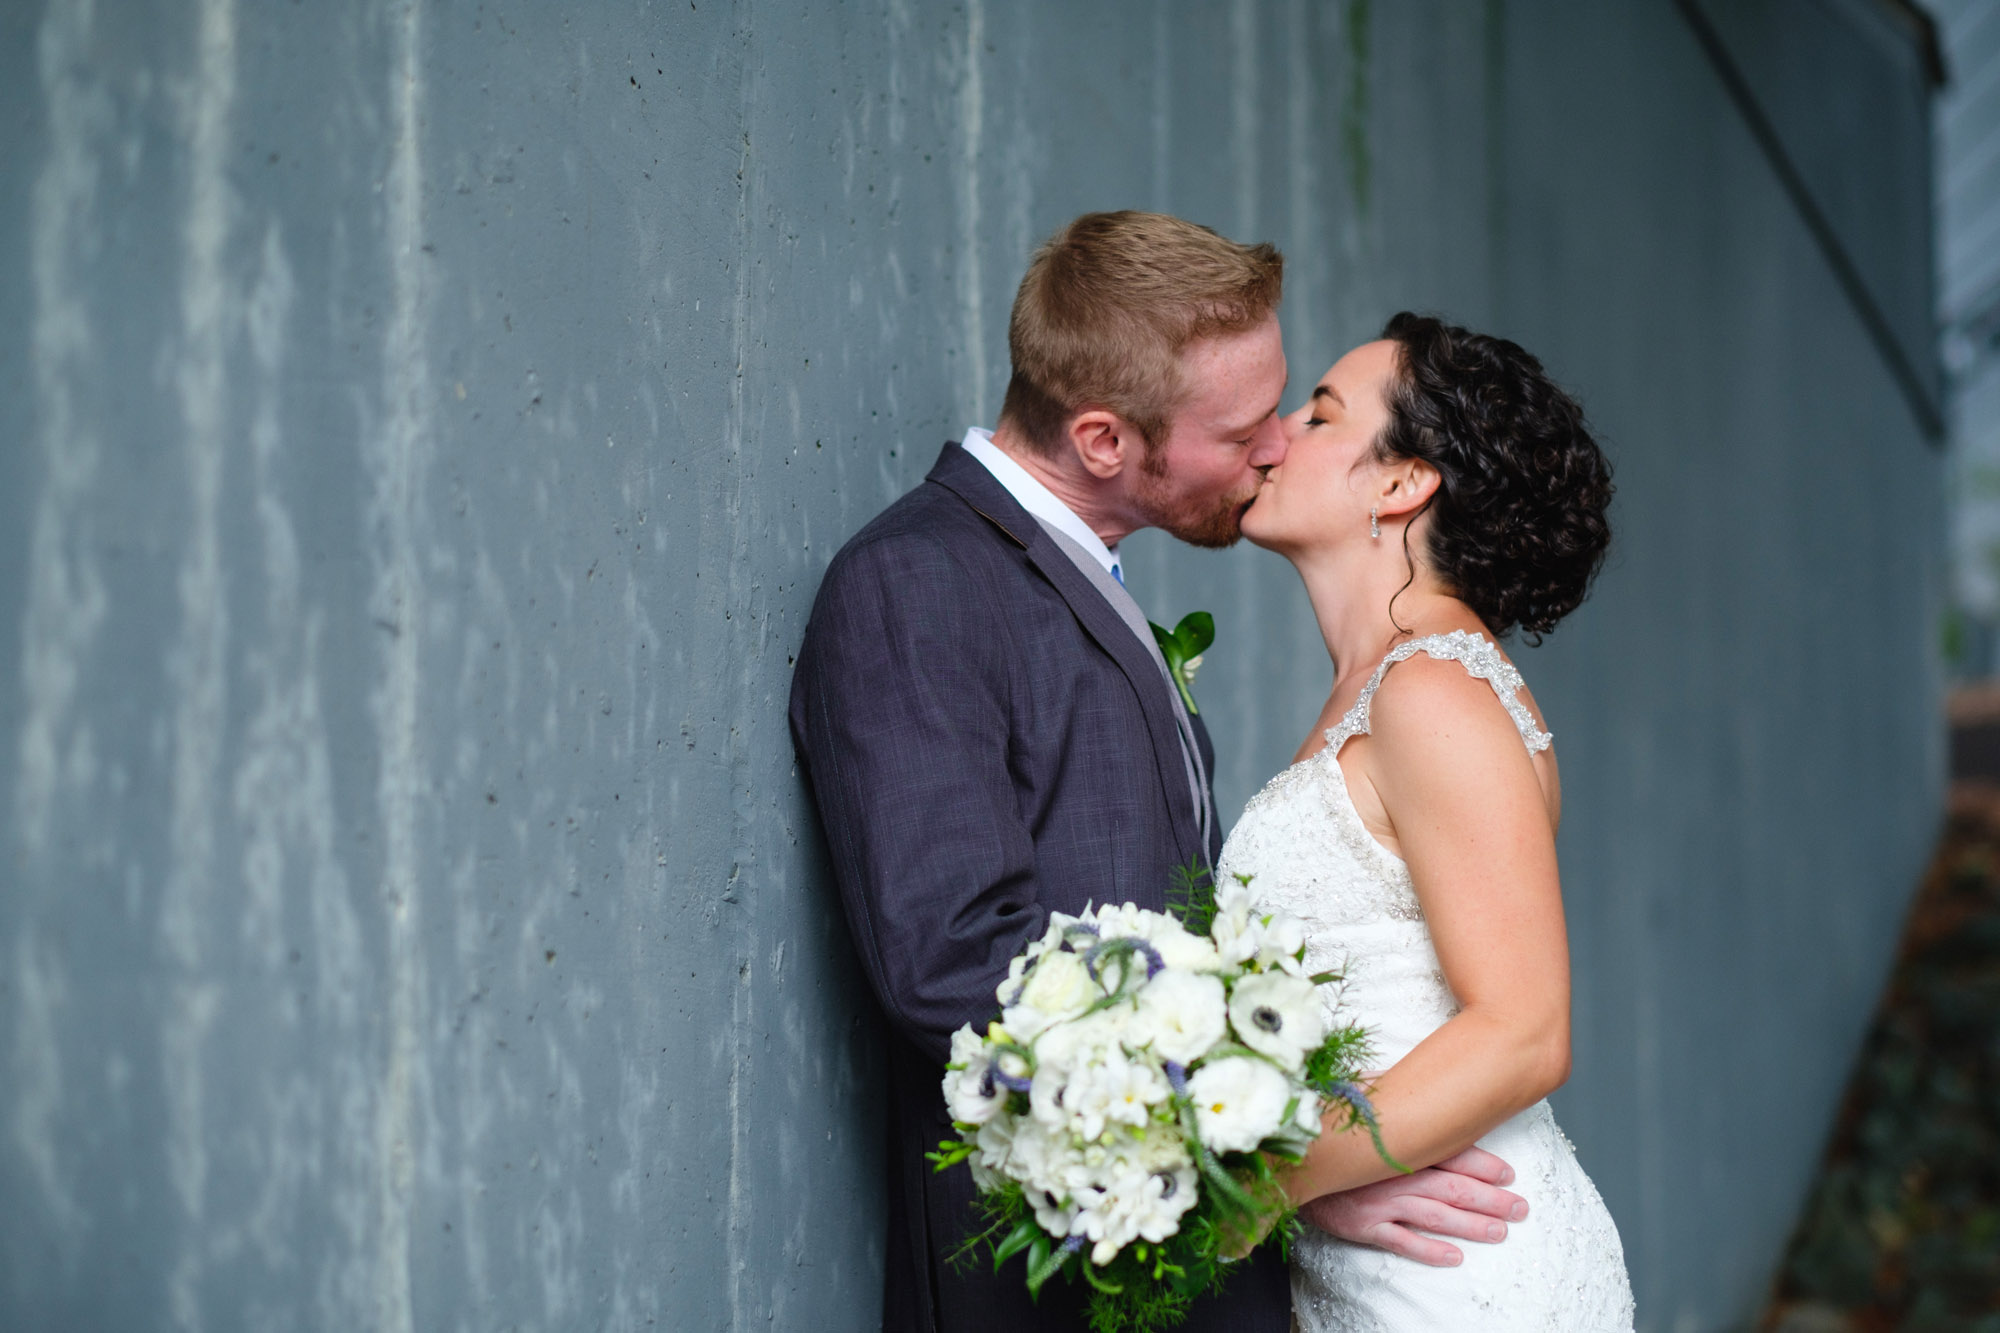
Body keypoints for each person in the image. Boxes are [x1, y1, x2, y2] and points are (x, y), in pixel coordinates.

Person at [790, 215, 1527, 1332]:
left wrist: (1291, 1175)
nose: (1276, 444)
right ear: (1101, 441)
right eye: (1240, 431)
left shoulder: (1085, 579)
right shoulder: (917, 585)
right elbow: (954, 969)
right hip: (1053, 1290)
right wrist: (1283, 1164)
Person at [1222, 312, 1635, 1328]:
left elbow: (1523, 1032)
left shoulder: (1430, 693)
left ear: (1400, 481)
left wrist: (1263, 1186)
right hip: (1387, 1252)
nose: (1272, 433)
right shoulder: (1384, 690)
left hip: (1460, 1269)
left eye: (1317, 416)